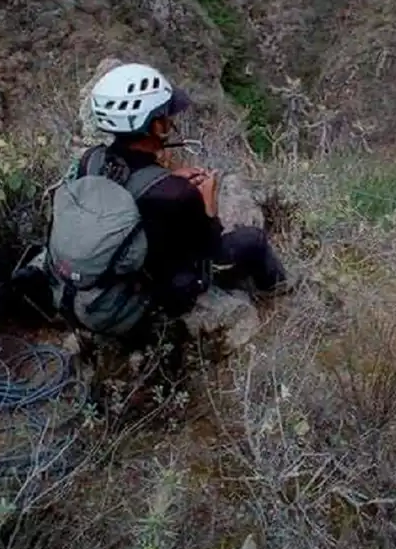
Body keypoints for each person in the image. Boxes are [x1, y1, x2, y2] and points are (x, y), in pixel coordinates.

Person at [27, 63, 293, 344]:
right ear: (155, 125)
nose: (170, 120)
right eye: (166, 115)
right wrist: (208, 199)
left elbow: (127, 186)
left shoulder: (90, 159)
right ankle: (278, 292)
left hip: (77, 292)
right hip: (131, 305)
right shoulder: (176, 194)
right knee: (252, 240)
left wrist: (161, 178)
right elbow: (209, 248)